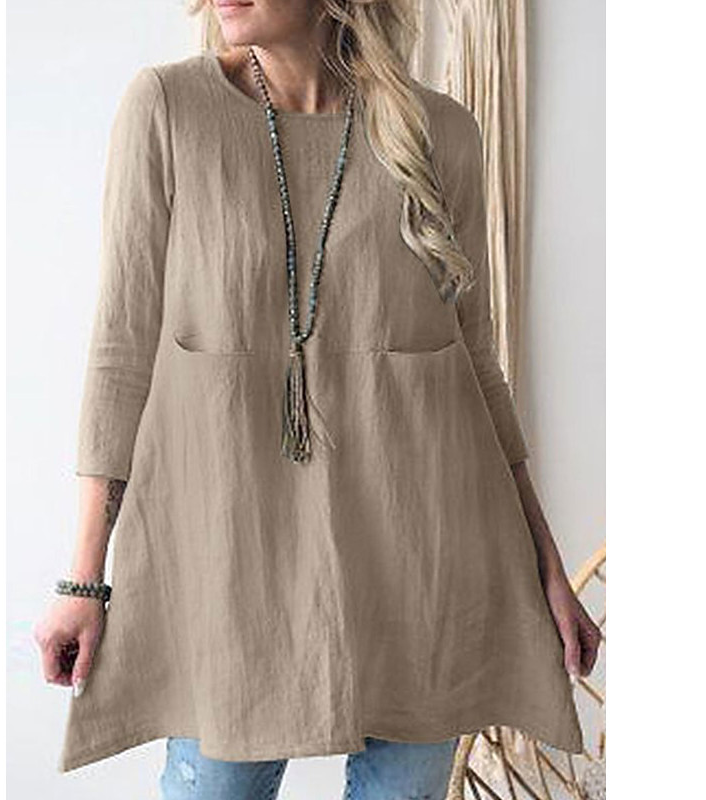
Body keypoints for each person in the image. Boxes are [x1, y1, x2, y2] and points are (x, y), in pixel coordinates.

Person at [33, 1, 602, 797]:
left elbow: (474, 362)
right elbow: (121, 352)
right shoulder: (167, 110)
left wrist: (544, 563)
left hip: (421, 561)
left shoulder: (439, 134)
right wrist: (83, 581)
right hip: (229, 561)